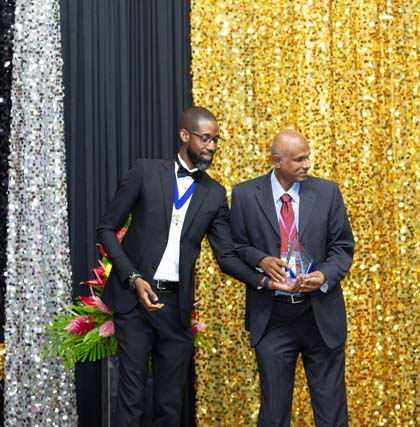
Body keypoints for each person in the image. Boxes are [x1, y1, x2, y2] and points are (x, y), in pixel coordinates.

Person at [97, 106, 263, 426]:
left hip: (175, 307)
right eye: (205, 138)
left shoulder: (214, 194)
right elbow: (106, 229)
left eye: (216, 140)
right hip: (134, 300)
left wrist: (263, 279)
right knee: (131, 400)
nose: (212, 146)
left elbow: (227, 255)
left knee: (170, 405)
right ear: (185, 135)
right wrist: (133, 277)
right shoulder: (145, 172)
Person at [229, 129, 355, 427]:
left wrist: (323, 275)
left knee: (332, 413)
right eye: (299, 159)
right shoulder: (245, 195)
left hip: (320, 315)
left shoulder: (327, 192)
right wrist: (261, 260)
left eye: (307, 157)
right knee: (274, 414)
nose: (307, 164)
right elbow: (237, 247)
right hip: (273, 317)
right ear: (277, 161)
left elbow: (342, 246)